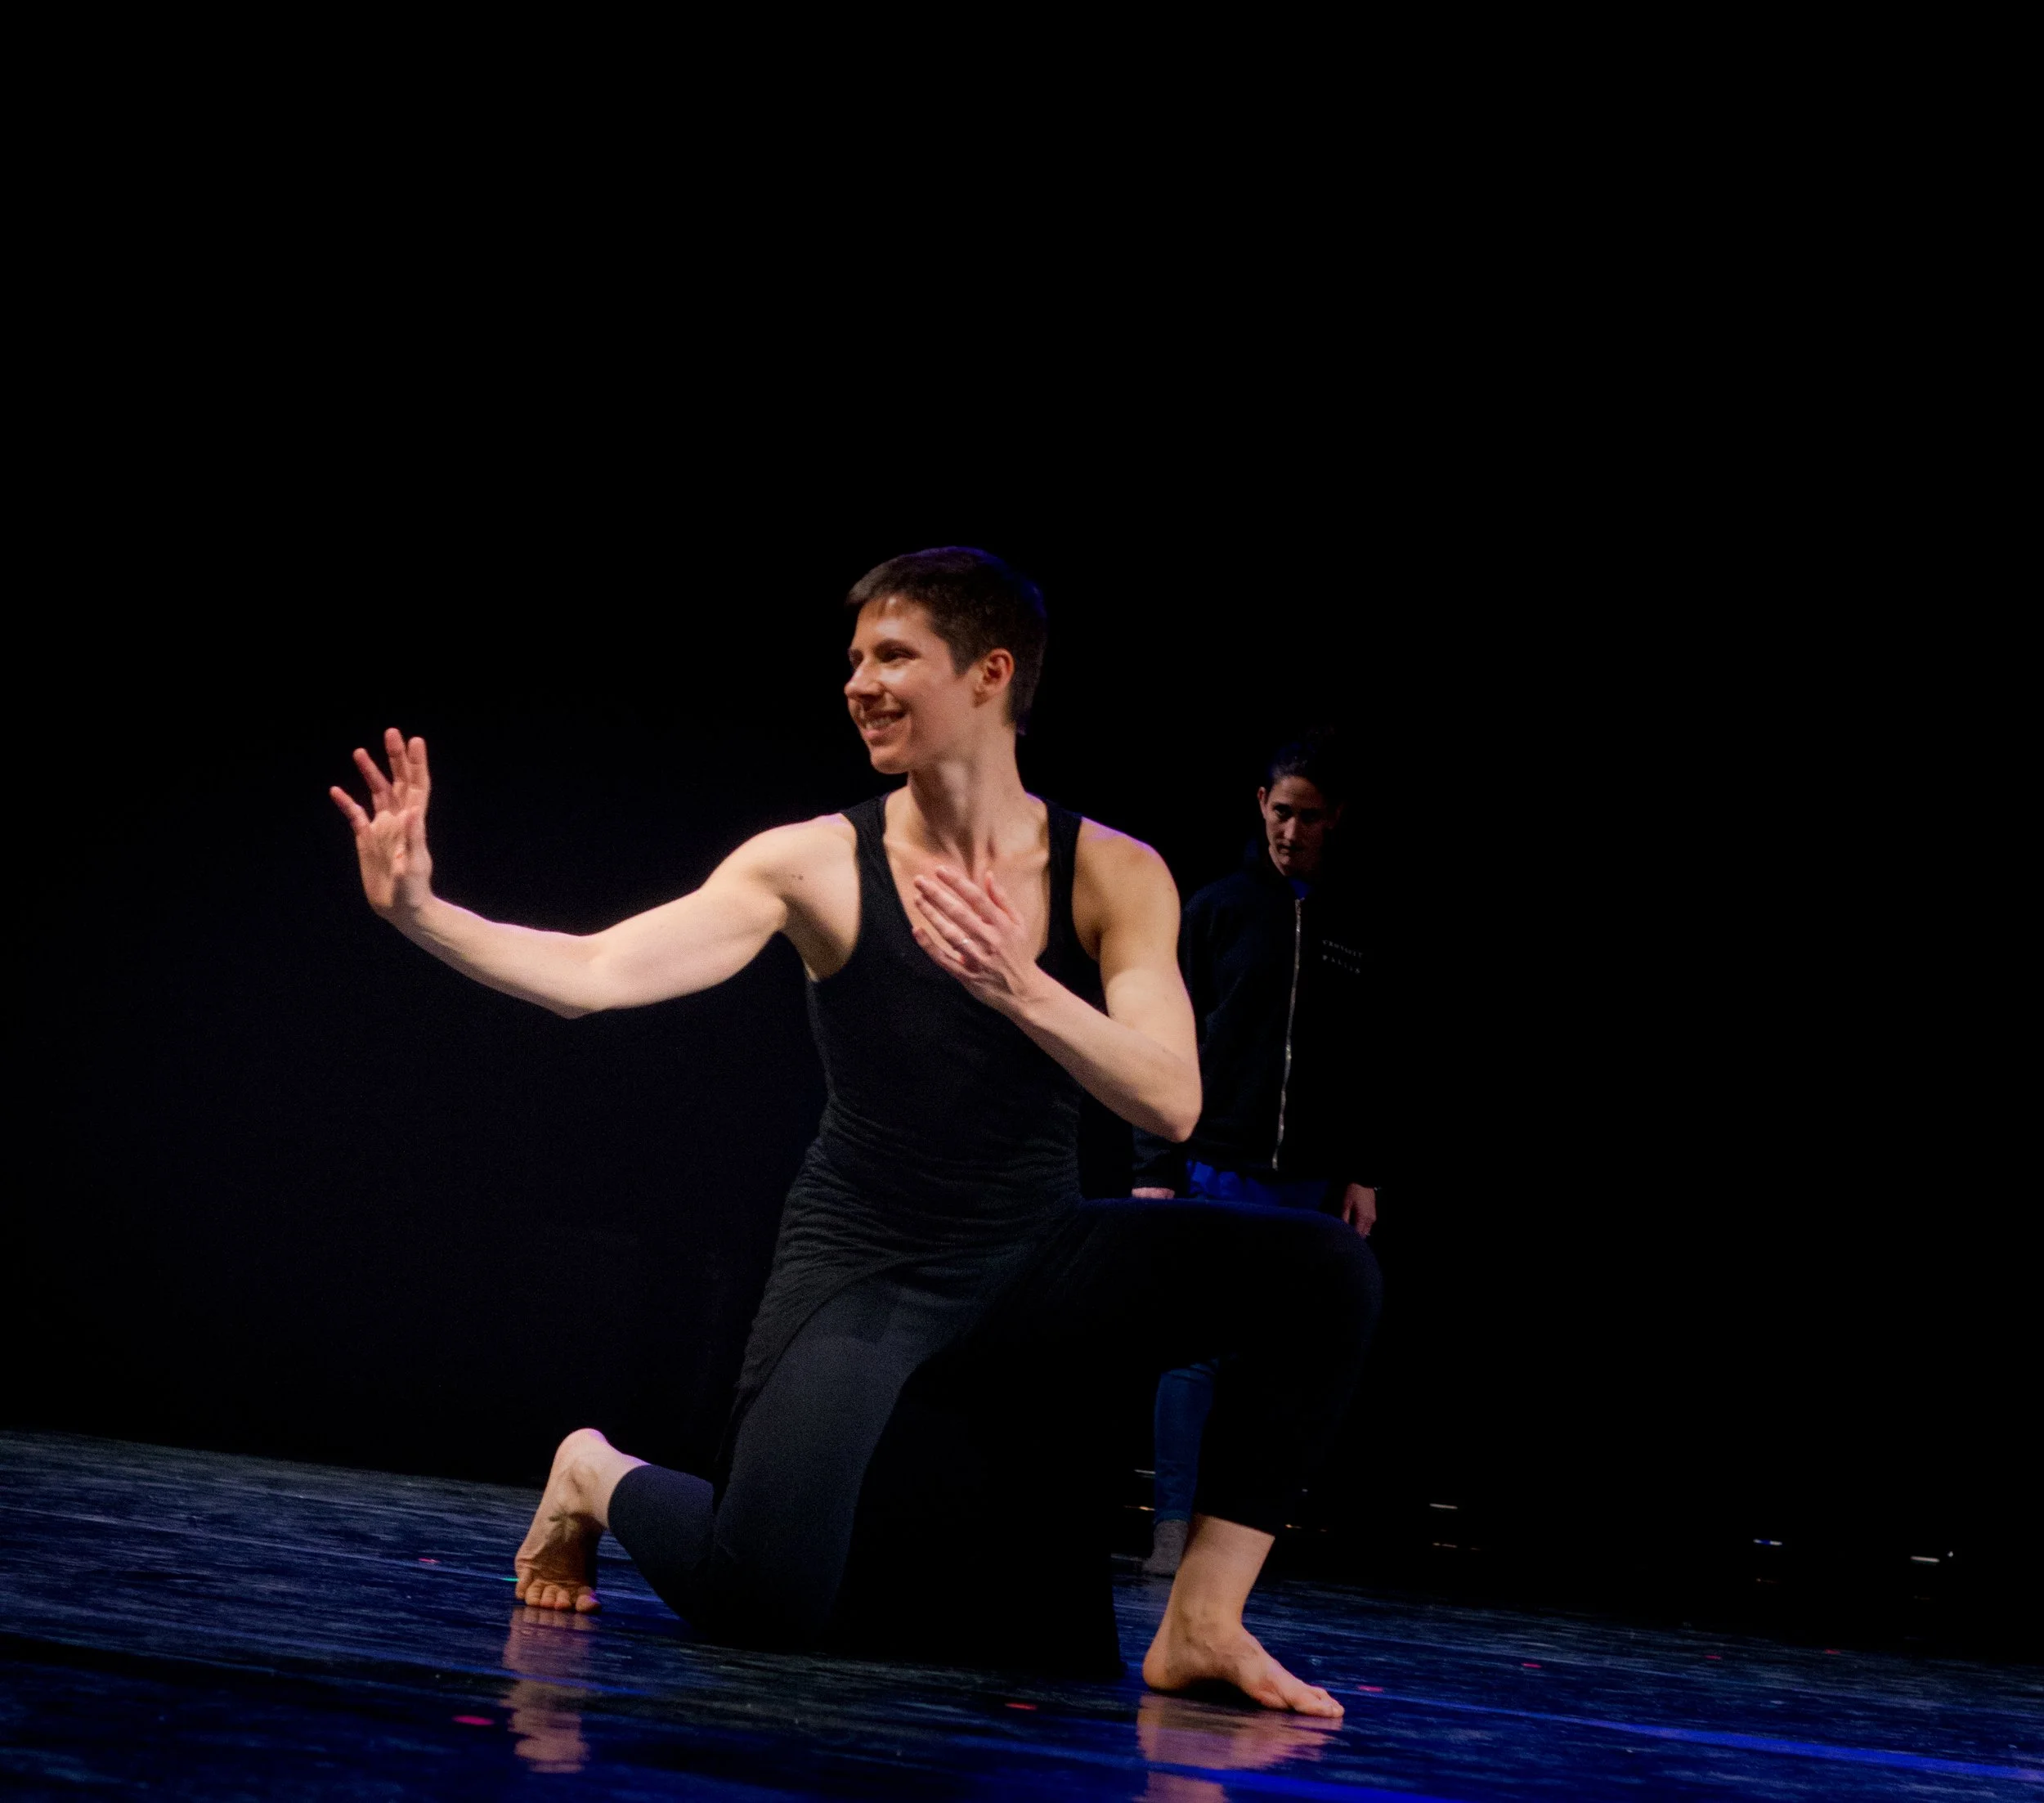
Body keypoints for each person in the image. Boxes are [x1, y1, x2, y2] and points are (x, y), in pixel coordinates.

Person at [330, 549, 1378, 1716]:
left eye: (892, 656)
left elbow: (1171, 1099)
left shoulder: (1113, 871)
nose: (858, 685)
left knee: (1327, 1272)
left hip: (1036, 1257)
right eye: (852, 661)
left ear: (989, 673)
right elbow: (594, 973)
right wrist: (422, 913)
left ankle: (1202, 1620)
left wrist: (1020, 985)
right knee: (765, 1597)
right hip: (868, 1263)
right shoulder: (815, 863)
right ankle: (594, 1471)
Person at [1132, 733, 1374, 1576]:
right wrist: (1154, 1169)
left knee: (1280, 1366)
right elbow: (1160, 1038)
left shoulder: (1355, 921)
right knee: (1191, 1354)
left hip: (1307, 1183)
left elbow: (1369, 1059)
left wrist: (1362, 1171)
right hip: (1214, 1164)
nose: (1291, 830)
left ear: (1335, 819)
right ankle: (1171, 1526)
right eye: (1280, 812)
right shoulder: (1218, 910)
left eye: (1309, 817)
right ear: (1260, 807)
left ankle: (1230, 1543)